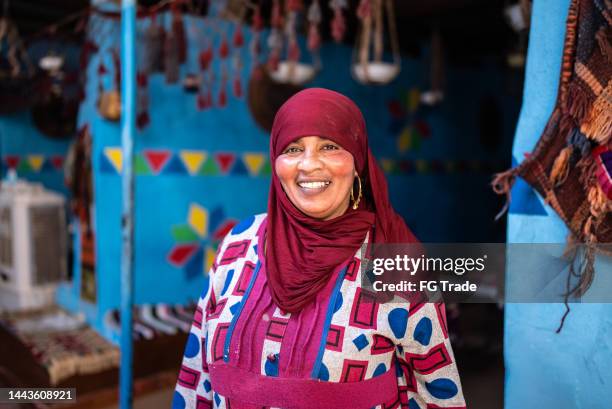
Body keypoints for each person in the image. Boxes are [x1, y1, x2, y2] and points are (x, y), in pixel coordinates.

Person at [174, 88, 465, 409]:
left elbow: (435, 390)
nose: (309, 164)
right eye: (293, 148)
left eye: (329, 146)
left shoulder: (393, 260)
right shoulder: (239, 243)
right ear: (275, 160)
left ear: (358, 163)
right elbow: (197, 375)